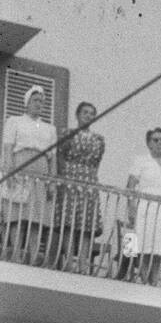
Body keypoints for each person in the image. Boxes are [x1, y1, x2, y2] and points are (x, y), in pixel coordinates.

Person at [0, 84, 58, 264]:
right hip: (20, 170)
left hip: (41, 173)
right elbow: (8, 148)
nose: (38, 104)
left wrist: (52, 181)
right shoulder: (14, 121)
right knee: (17, 217)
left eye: (41, 101)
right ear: (27, 102)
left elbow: (53, 158)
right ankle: (16, 255)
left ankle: (33, 257)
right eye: (35, 100)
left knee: (36, 219)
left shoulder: (50, 128)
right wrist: (9, 173)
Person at [122, 127, 161, 285]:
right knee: (143, 246)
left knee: (158, 249)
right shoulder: (141, 161)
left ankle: (153, 282)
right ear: (148, 143)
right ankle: (145, 281)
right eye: (155, 140)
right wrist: (131, 209)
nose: (159, 143)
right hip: (145, 209)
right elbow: (130, 187)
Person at [56, 100, 105, 270]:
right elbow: (60, 157)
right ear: (77, 115)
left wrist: (90, 179)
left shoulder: (98, 139)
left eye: (92, 114)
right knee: (69, 223)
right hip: (70, 178)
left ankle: (83, 262)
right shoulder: (67, 134)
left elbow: (96, 163)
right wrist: (64, 179)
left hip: (89, 181)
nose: (88, 116)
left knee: (86, 224)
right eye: (85, 112)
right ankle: (69, 261)